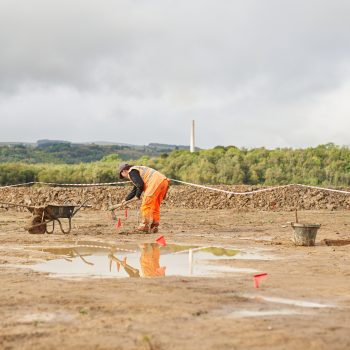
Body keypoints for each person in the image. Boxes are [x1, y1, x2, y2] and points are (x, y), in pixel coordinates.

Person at [119, 163, 170, 233]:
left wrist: (137, 196)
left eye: (122, 175)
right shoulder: (137, 170)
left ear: (124, 171)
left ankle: (144, 226)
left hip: (154, 183)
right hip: (164, 182)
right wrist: (126, 199)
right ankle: (154, 225)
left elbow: (140, 185)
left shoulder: (131, 172)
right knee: (155, 206)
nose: (124, 177)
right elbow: (136, 188)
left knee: (146, 205)